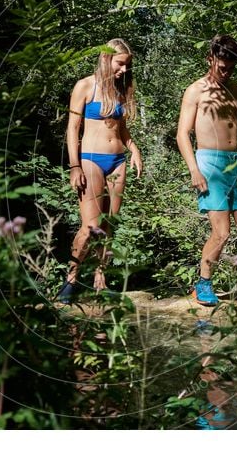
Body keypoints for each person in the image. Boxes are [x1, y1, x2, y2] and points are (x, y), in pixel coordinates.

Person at [176, 34, 237, 314]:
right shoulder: (195, 90)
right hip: (209, 162)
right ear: (210, 59)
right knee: (221, 232)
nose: (226, 72)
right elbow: (183, 133)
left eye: (230, 68)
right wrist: (194, 169)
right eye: (221, 67)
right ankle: (203, 283)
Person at [58, 39, 143, 303]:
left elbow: (121, 129)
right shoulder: (84, 86)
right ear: (106, 59)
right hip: (90, 159)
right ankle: (71, 278)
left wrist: (135, 149)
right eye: (120, 64)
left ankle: (100, 279)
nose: (124, 70)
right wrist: (74, 166)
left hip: (117, 160)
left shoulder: (119, 91)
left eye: (127, 66)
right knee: (91, 226)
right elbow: (72, 129)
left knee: (109, 226)